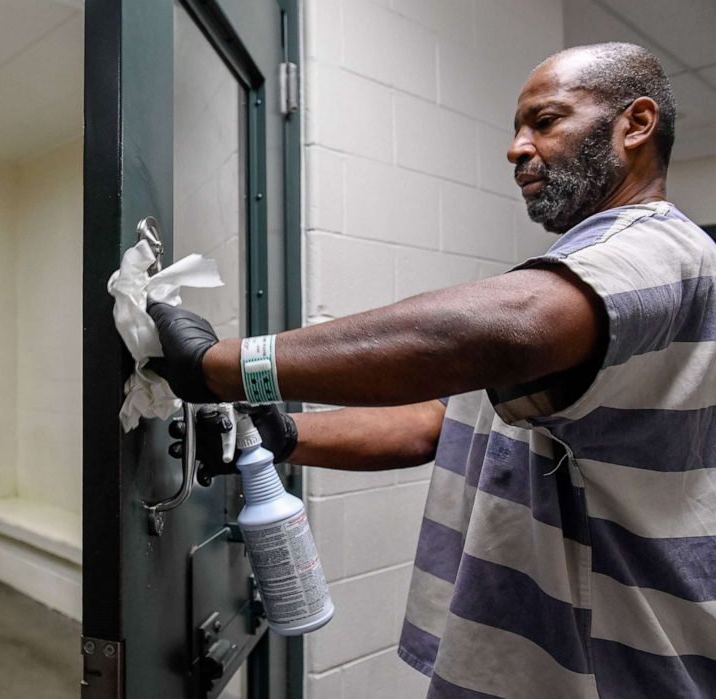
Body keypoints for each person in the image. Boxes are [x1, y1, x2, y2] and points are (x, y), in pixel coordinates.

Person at [147, 42, 716, 698]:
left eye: (545, 120)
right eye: (516, 128)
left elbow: (512, 327)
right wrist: (290, 438)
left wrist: (221, 367)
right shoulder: (593, 276)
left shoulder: (662, 247)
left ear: (635, 124)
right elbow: (441, 425)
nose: (517, 148)